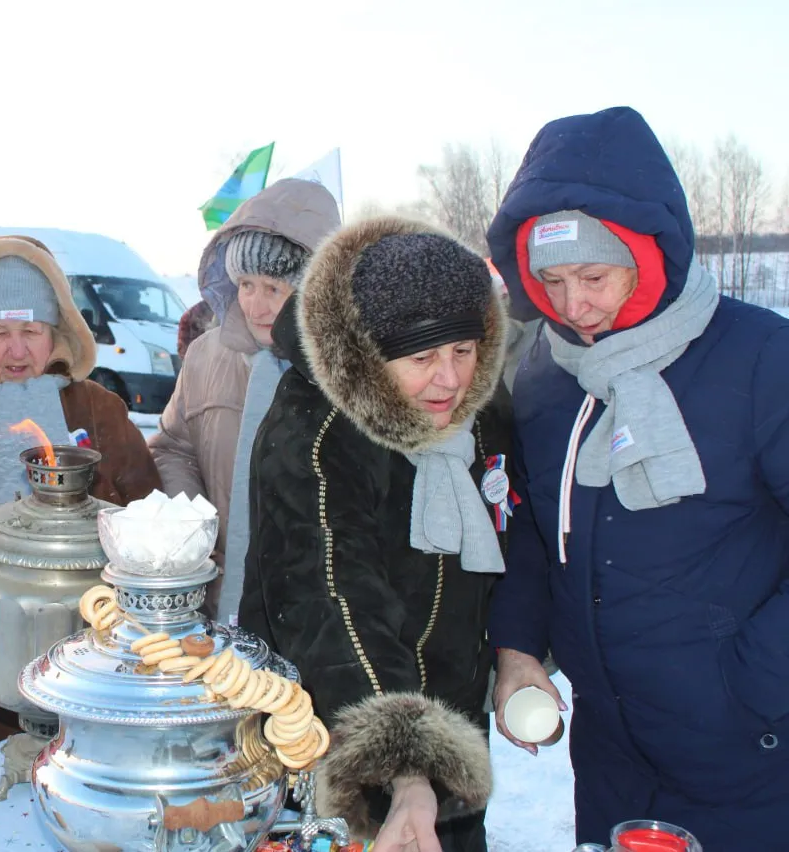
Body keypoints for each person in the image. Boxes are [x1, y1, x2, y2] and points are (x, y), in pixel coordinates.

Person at [487, 106, 789, 852]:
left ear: (649, 254)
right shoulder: (547, 375)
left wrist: (750, 686)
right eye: (550, 279)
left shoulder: (762, 360)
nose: (572, 305)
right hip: (613, 762)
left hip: (753, 759)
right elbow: (532, 529)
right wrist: (518, 649)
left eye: (594, 275)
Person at [240, 217, 511, 851]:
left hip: (454, 729)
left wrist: (518, 653)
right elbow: (331, 597)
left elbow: (511, 544)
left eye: (464, 351)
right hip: (334, 735)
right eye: (422, 358)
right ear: (368, 356)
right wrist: (407, 767)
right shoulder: (315, 431)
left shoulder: (479, 414)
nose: (449, 379)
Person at [0, 233, 161, 778]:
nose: (18, 351)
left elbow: (154, 529)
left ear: (57, 332)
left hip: (91, 680)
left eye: (32, 331)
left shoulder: (98, 409)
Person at [149, 178, 340, 621]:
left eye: (274, 288)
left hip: (318, 615)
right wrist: (196, 530)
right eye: (247, 284)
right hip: (216, 600)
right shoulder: (205, 355)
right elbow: (172, 447)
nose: (256, 305)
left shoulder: (344, 371)